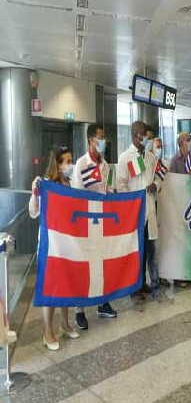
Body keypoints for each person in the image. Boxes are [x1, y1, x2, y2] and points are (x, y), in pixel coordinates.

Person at [29, 148, 80, 350]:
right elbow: (33, 212)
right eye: (66, 161)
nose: (70, 165)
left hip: (67, 242)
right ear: (57, 164)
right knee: (50, 286)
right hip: (50, 244)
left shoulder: (69, 184)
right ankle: (47, 331)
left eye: (71, 160)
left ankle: (65, 324)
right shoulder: (45, 184)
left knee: (66, 283)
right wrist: (35, 193)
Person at [71, 123, 118, 329]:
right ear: (91, 139)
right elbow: (75, 195)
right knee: (83, 265)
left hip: (103, 222)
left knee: (102, 262)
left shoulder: (106, 165)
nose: (103, 141)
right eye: (100, 137)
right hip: (84, 221)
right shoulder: (82, 164)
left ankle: (102, 302)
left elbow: (110, 188)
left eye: (104, 137)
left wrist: (114, 194)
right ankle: (79, 310)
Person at [116, 121, 161, 300]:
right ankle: (134, 286)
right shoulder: (125, 158)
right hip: (134, 211)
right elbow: (120, 184)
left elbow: (158, 177)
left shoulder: (150, 157)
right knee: (135, 250)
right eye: (145, 135)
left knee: (149, 248)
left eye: (149, 136)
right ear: (136, 135)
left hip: (149, 208)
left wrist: (155, 185)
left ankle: (143, 282)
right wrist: (132, 201)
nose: (148, 139)